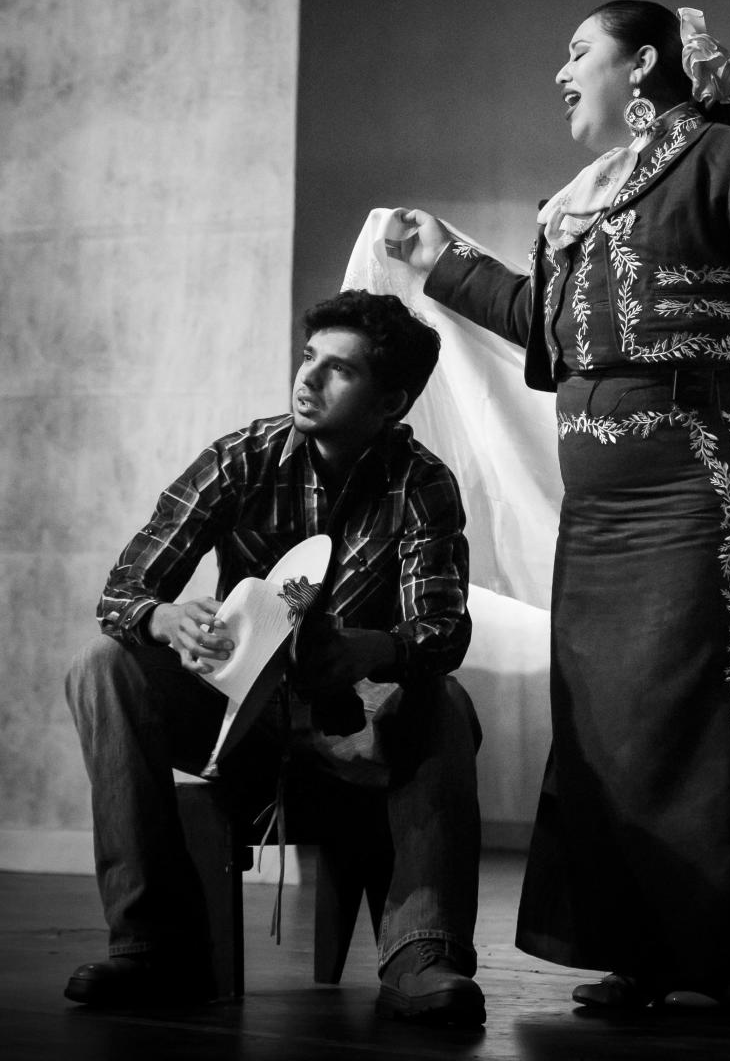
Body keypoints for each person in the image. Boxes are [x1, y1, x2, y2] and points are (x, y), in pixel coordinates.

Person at [396, 0, 730, 1010]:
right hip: (602, 506)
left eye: (576, 52)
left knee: (702, 712)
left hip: (697, 479)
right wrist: (440, 263)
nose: (560, 72)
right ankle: (645, 949)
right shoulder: (582, 199)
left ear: (641, 64)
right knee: (610, 723)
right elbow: (548, 334)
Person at [64, 289, 485, 1027]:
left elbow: (444, 632)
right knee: (101, 666)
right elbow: (123, 590)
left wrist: (375, 647)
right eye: (308, 357)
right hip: (237, 720)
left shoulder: (422, 484)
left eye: (339, 371)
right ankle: (149, 946)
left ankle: (423, 953)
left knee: (447, 701)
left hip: (355, 727)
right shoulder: (241, 457)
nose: (308, 379)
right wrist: (163, 617)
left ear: (390, 402)